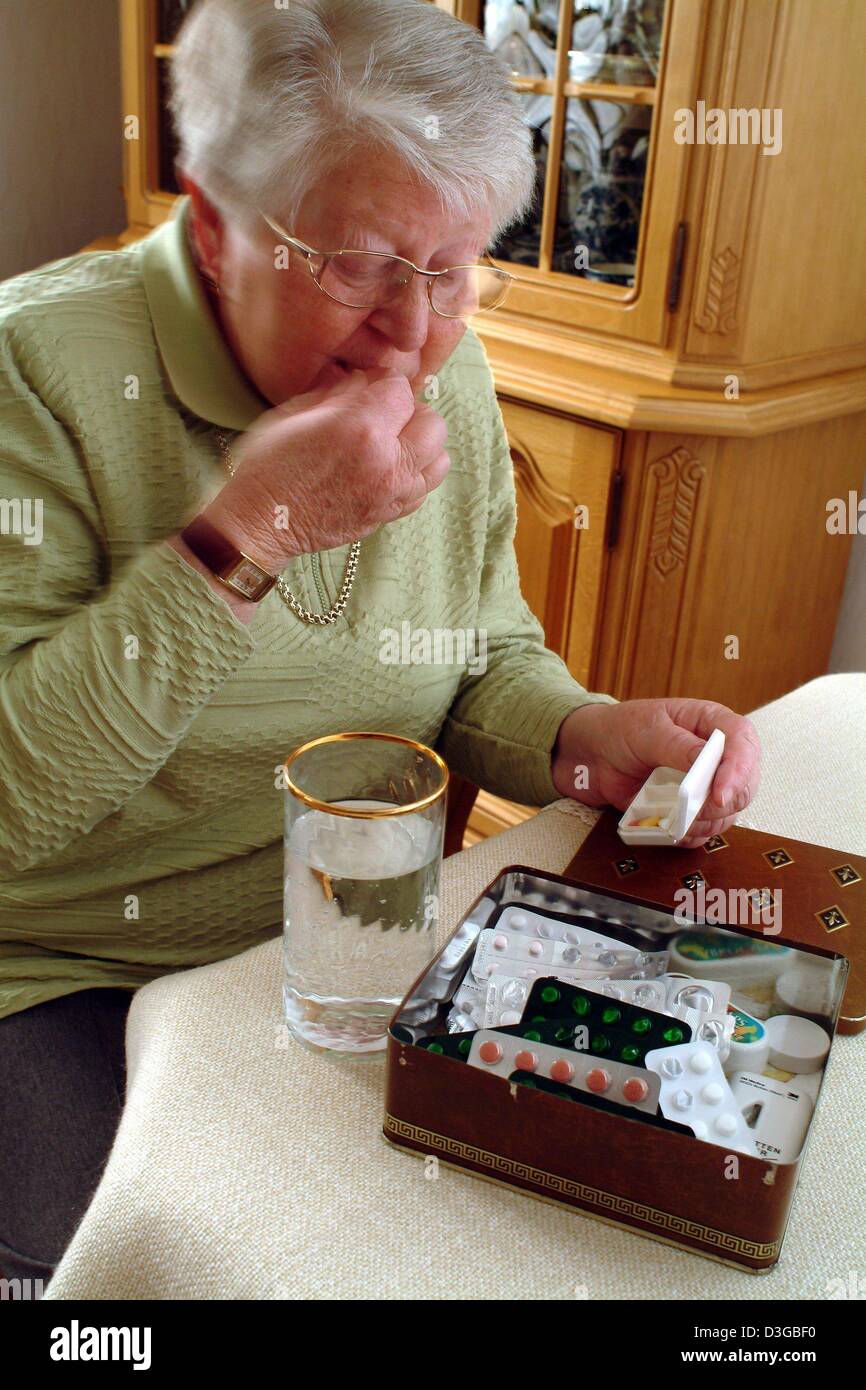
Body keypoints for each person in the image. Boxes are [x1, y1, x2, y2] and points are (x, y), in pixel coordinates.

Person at [0, 0, 759, 1287]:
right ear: (214, 222)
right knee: (170, 1282)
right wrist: (249, 532)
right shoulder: (35, 373)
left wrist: (582, 734)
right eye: (353, 263)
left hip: (364, 948)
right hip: (73, 969)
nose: (413, 338)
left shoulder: (437, 358)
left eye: (454, 268)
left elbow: (478, 658)